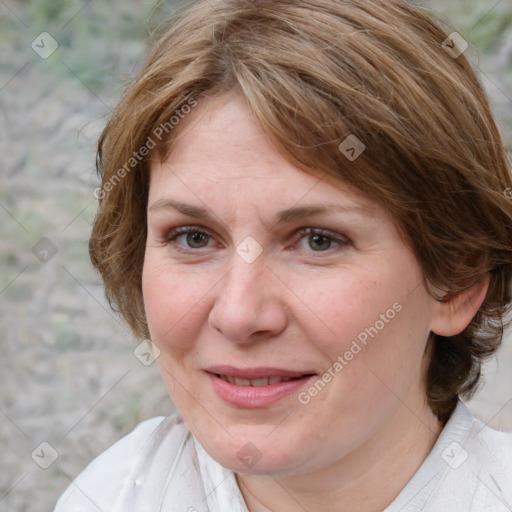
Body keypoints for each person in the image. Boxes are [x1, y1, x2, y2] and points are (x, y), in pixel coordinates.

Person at [54, 0, 512, 510]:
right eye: (193, 237)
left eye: (318, 240)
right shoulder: (110, 495)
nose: (238, 314)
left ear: (457, 279)